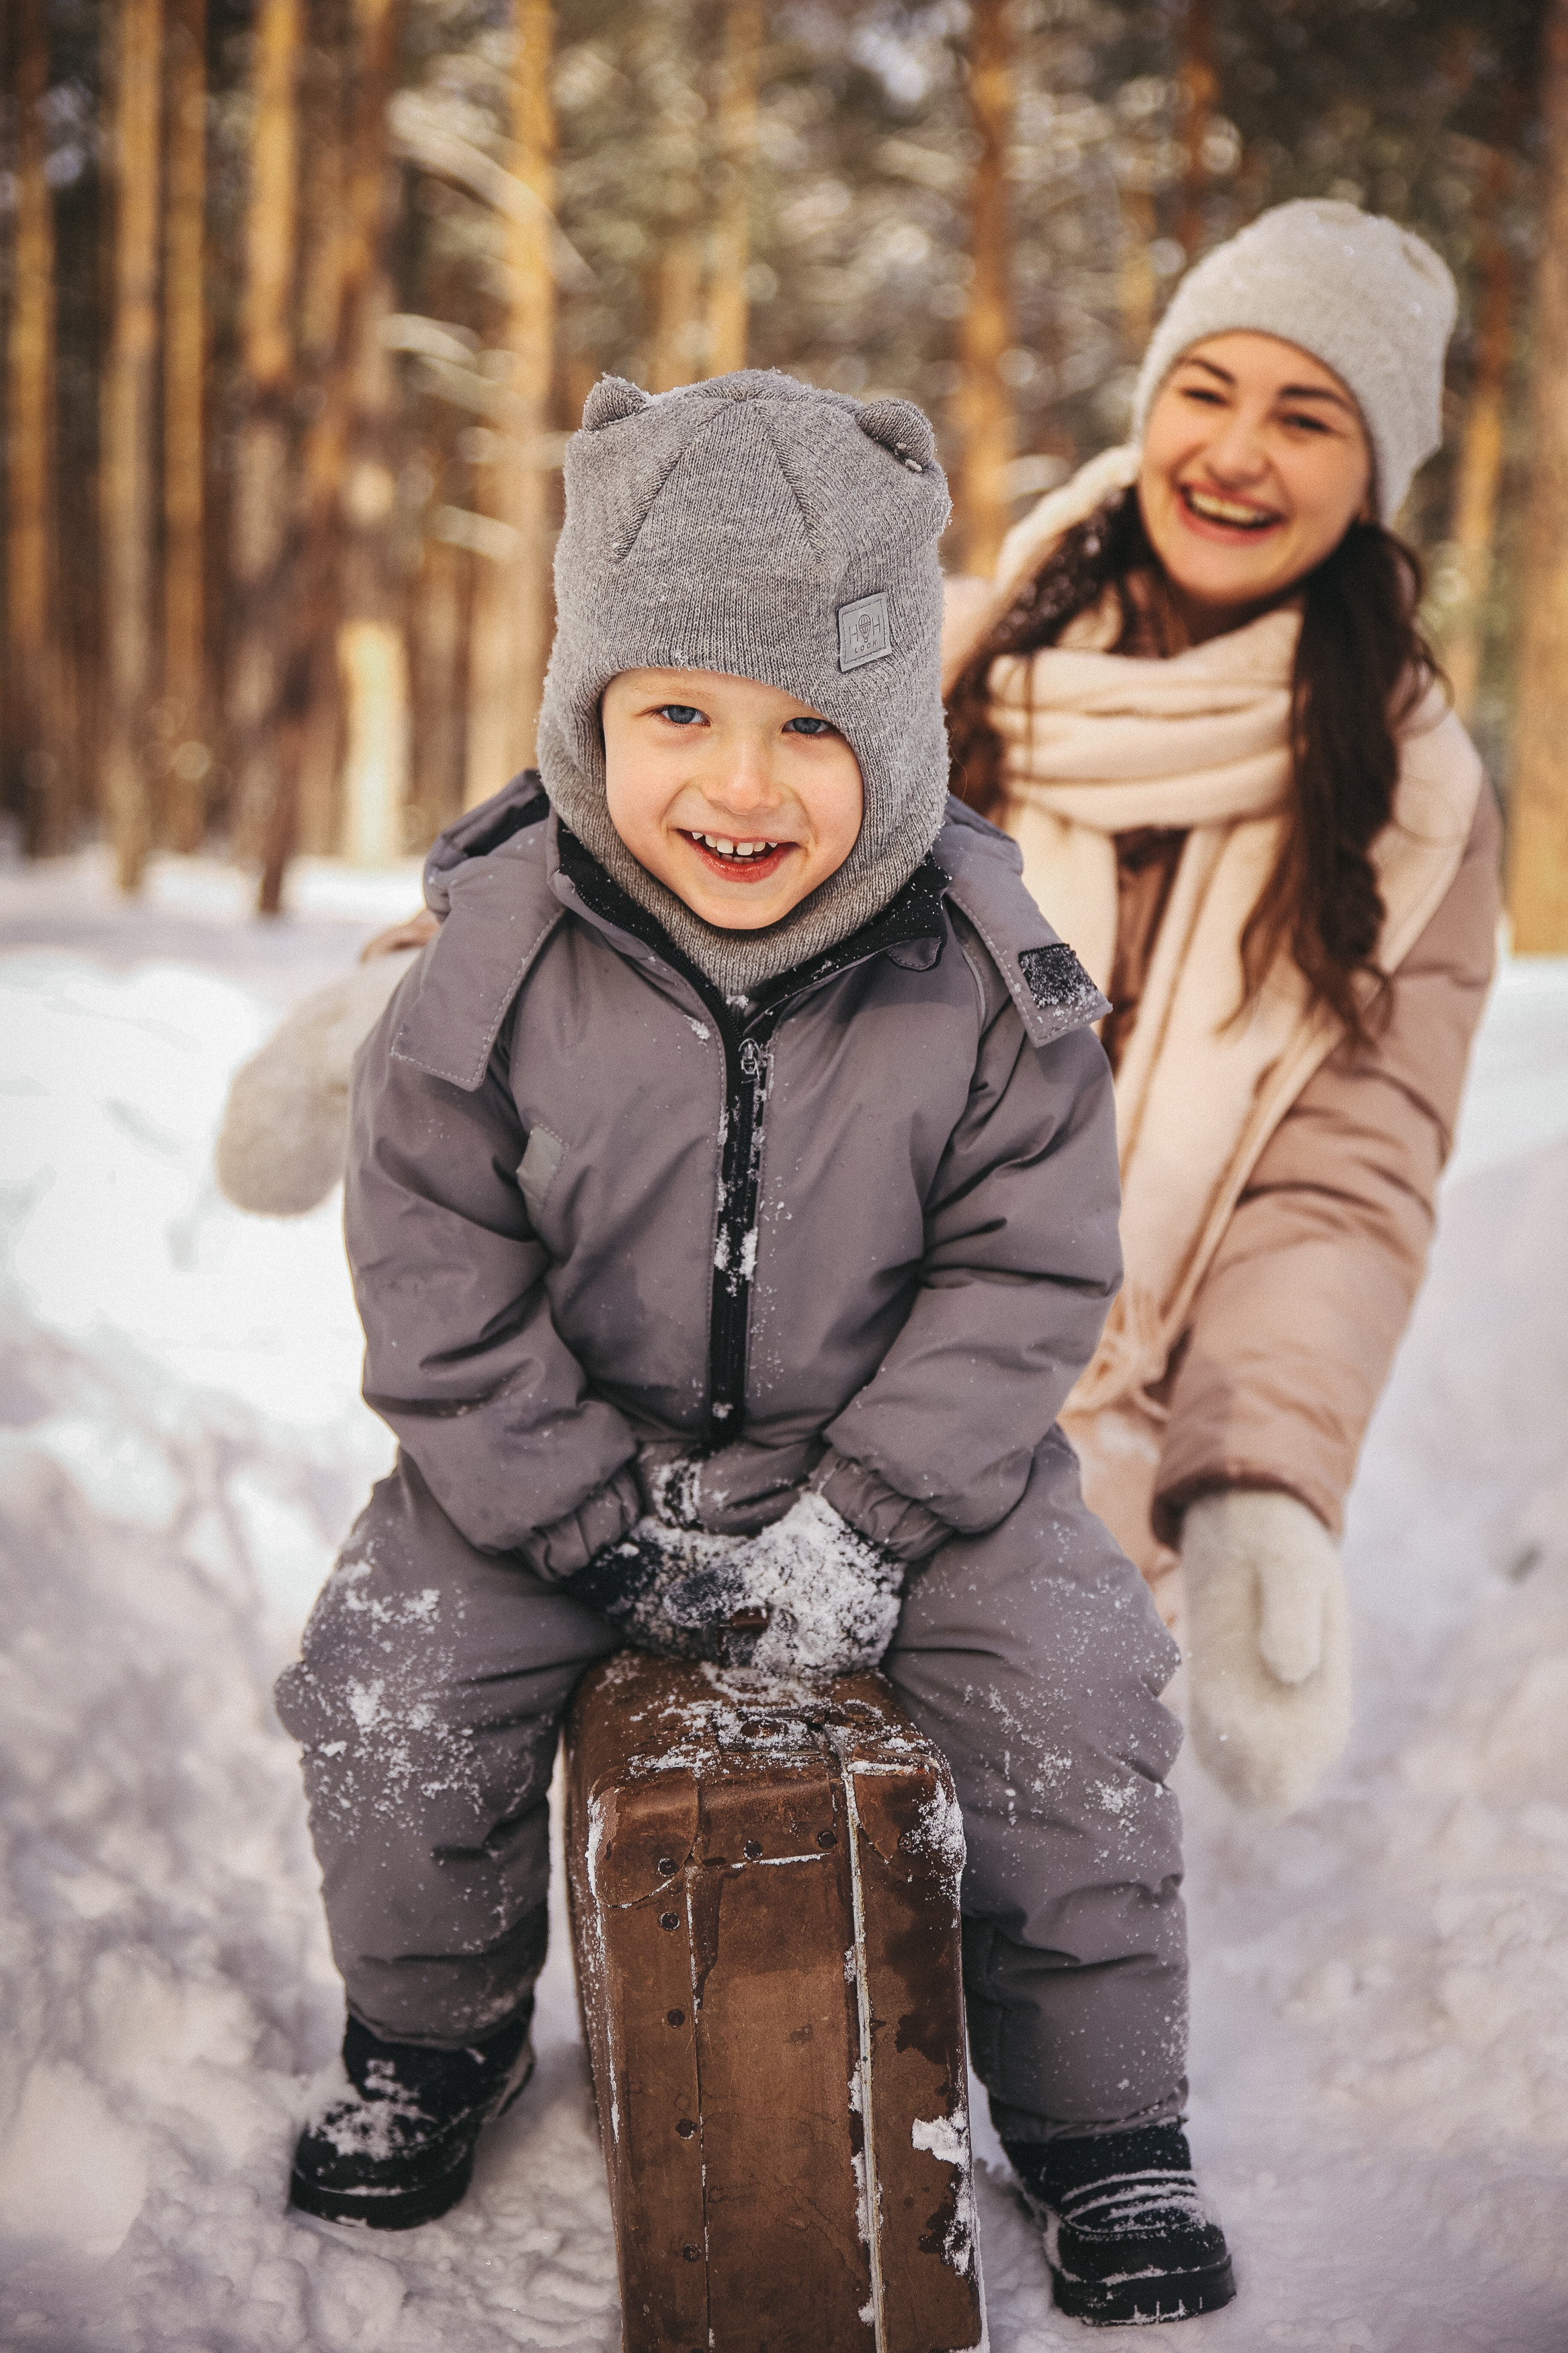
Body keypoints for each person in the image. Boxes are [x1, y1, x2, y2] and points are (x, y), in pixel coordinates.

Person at [272, 368, 1236, 2325]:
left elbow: (1024, 1264)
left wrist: (876, 1514)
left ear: (896, 725)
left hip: (895, 1458)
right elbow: (434, 1265)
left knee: (1071, 1674)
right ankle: (427, 2034)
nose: (739, 784)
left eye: (813, 725)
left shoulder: (980, 965)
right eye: (677, 714)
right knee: (392, 1681)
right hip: (558, 1445)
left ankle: (1098, 2117)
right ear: (586, 714)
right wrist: (569, 1511)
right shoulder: (493, 951)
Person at [942, 202, 1499, 1816]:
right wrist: (435, 970)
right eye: (1209, 388)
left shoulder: (1412, 800)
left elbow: (1350, 1166)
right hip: (834, 1343)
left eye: (1306, 412)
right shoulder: (957, 656)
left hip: (1109, 1404)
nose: (1238, 451)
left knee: (999, 1796)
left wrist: (1263, 1478)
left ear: (1370, 472)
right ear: (1152, 406)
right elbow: (673, 809)